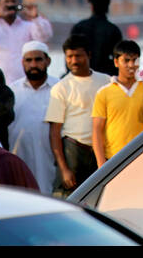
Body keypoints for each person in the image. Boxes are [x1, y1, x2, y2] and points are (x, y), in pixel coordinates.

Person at [45, 35, 112, 194]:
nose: (74, 61)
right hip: (73, 152)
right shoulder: (61, 87)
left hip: (102, 152)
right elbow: (54, 132)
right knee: (69, 201)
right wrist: (64, 169)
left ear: (89, 55)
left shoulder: (106, 81)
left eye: (78, 56)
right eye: (70, 56)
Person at [7, 41, 58, 193]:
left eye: (38, 59)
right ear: (22, 62)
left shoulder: (59, 88)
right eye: (29, 60)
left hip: (49, 158)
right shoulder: (12, 91)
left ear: (47, 61)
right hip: (19, 156)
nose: (33, 64)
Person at [91, 39, 143, 168]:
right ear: (116, 62)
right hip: (113, 159)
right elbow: (97, 131)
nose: (131, 65)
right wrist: (102, 165)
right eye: (126, 60)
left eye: (135, 60)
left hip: (142, 156)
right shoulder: (104, 93)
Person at [0, 0, 52, 84]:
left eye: (13, 2)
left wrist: (35, 17)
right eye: (6, 2)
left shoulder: (28, 26)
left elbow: (44, 37)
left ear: (18, 5)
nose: (9, 5)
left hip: (22, 82)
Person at [72, 0, 123, 77]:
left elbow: (71, 54)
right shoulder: (113, 30)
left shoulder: (79, 27)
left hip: (82, 76)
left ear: (91, 6)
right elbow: (120, 59)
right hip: (107, 76)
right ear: (108, 6)